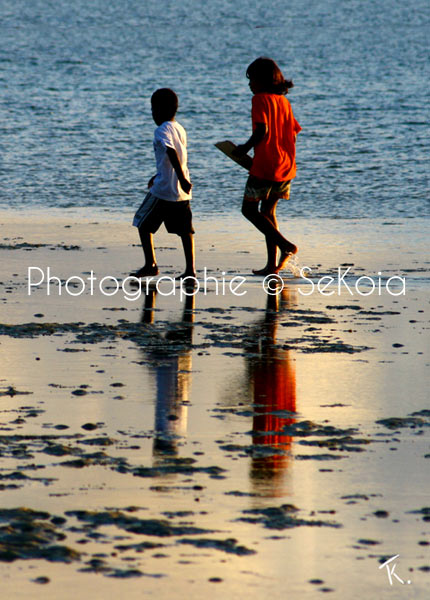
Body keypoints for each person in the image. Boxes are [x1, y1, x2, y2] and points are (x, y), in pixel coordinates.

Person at [234, 57, 301, 275]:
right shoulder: (284, 102)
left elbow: (261, 131)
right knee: (268, 212)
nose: (249, 84)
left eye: (251, 79)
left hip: (266, 166)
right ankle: (272, 266)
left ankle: (285, 245)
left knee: (249, 210)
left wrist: (244, 148)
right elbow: (293, 132)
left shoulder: (259, 100)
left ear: (262, 81)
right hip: (286, 166)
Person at [131, 88, 195, 279]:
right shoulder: (180, 128)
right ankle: (190, 270)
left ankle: (151, 264)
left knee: (142, 223)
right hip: (181, 192)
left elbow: (170, 151)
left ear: (159, 110)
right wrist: (164, 175)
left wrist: (180, 179)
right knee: (185, 231)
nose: (152, 114)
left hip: (164, 190)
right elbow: (176, 156)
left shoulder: (161, 130)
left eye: (152, 110)